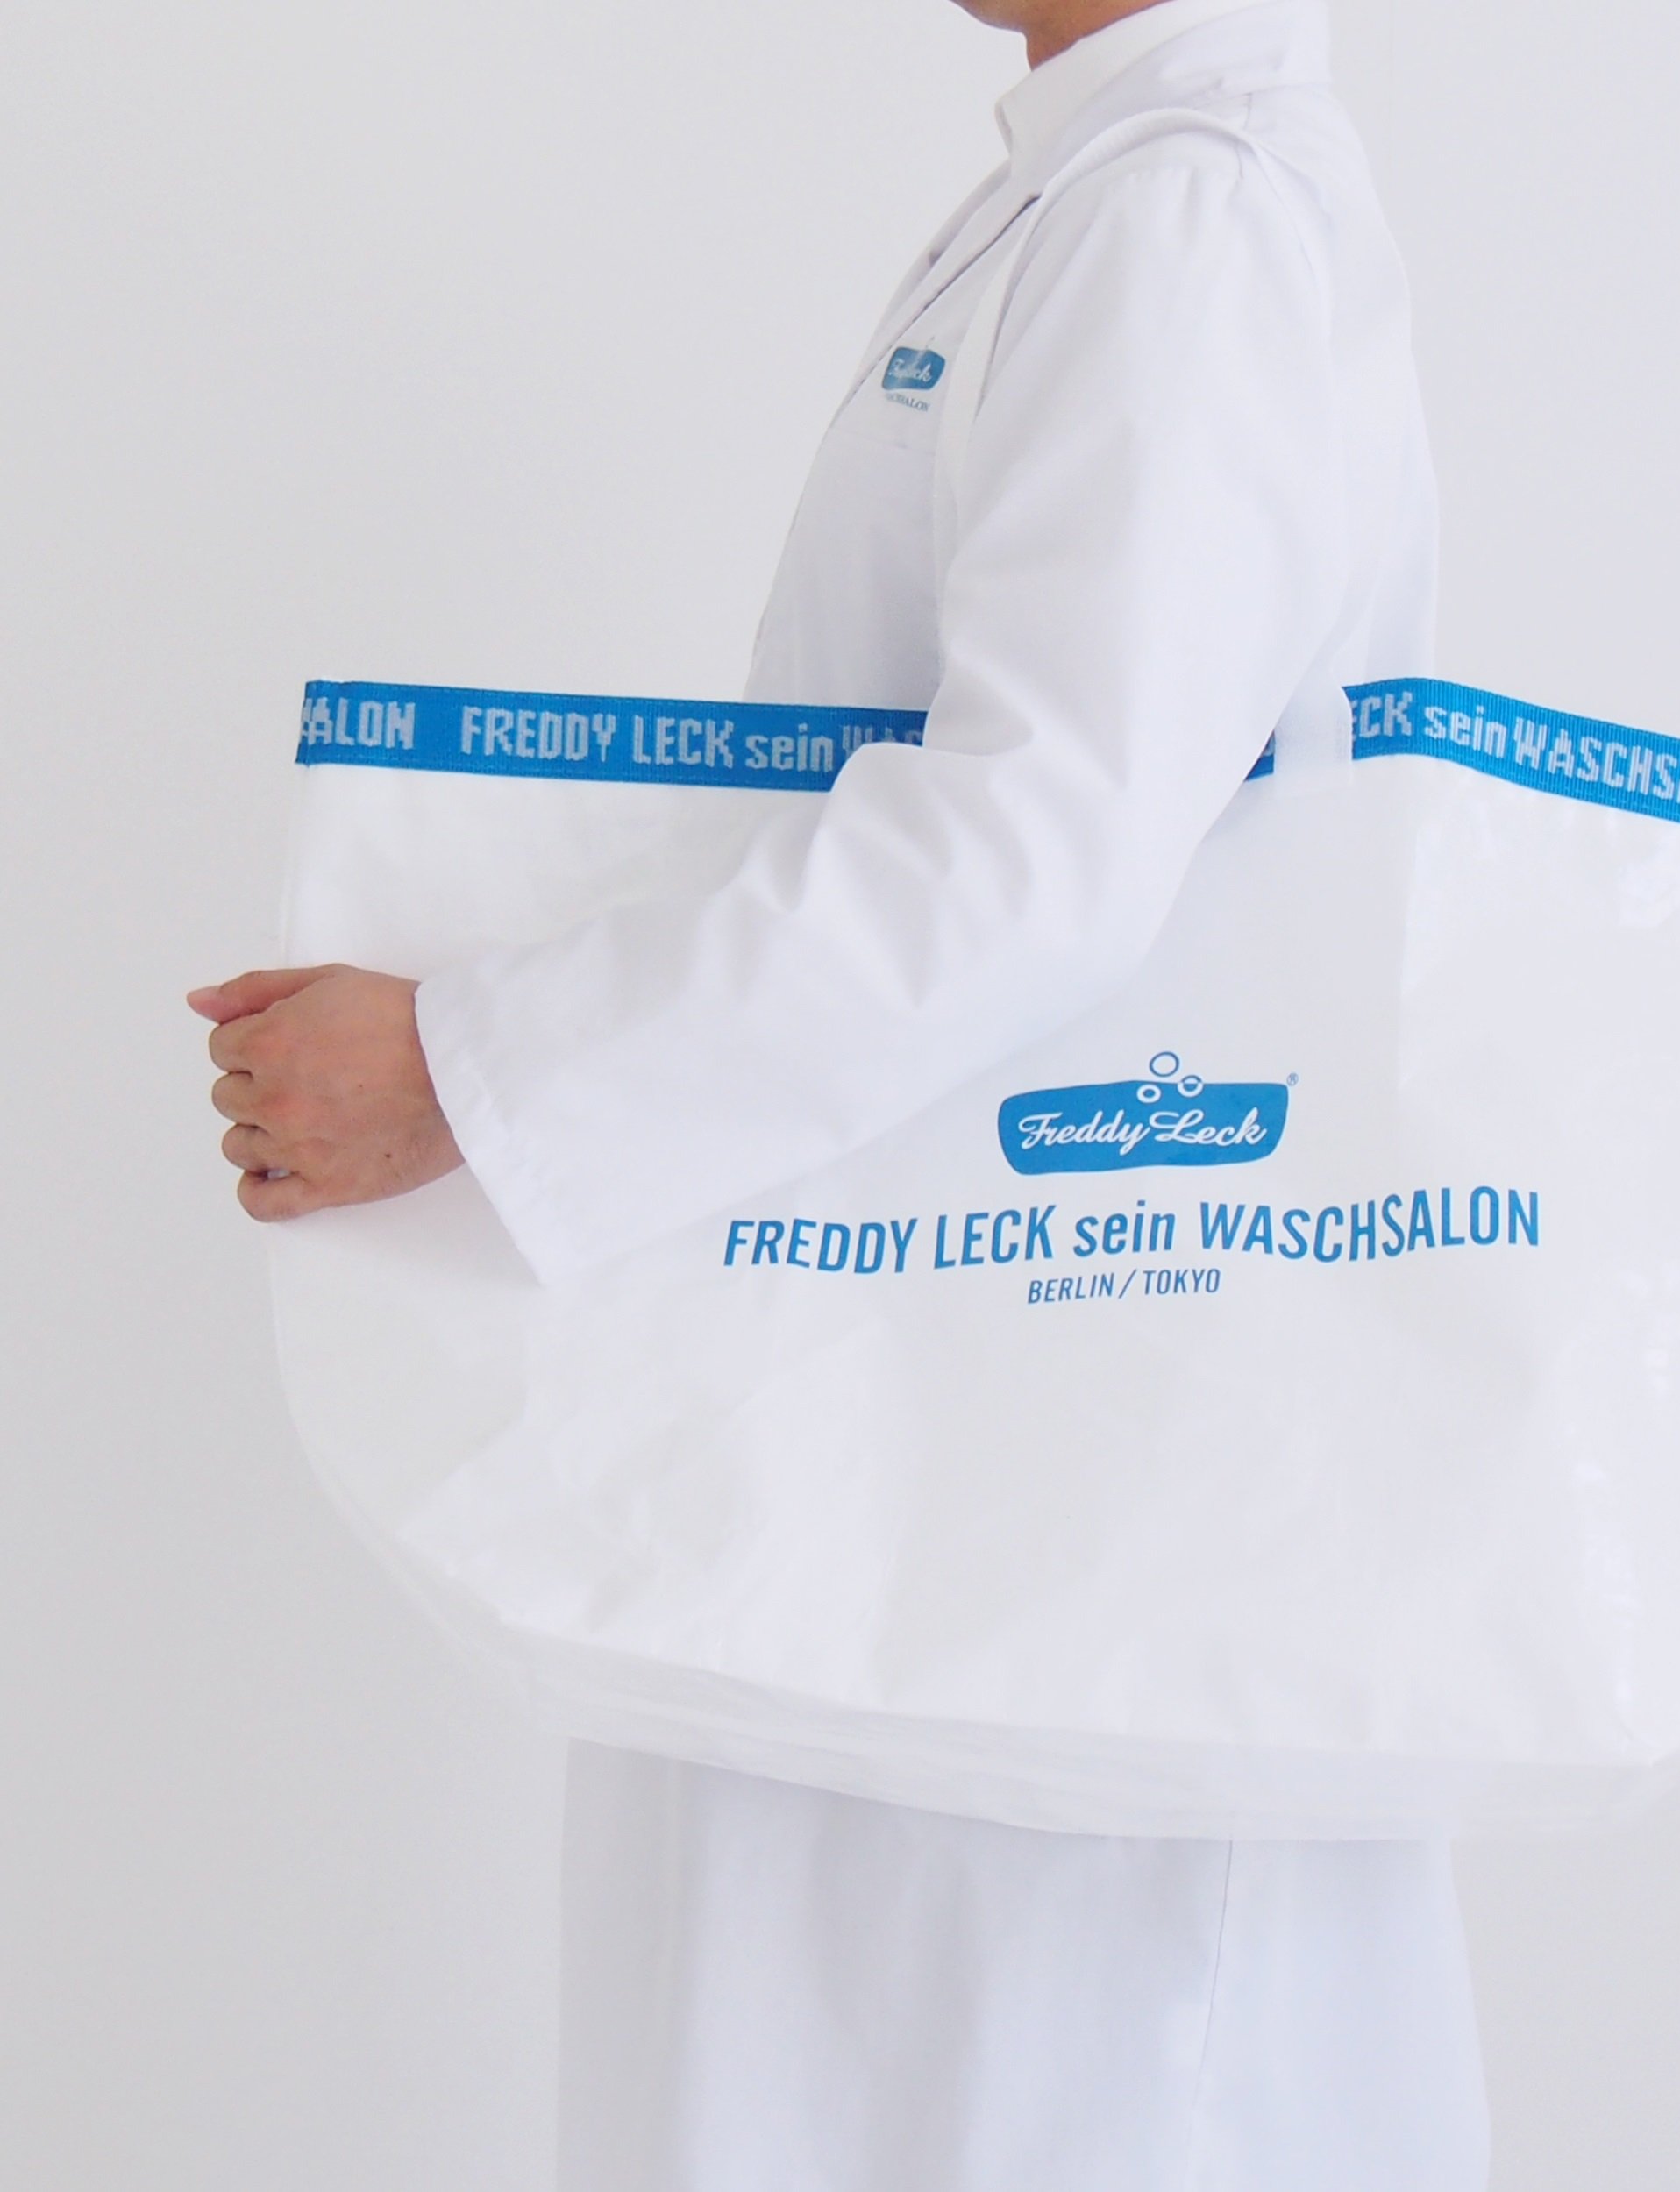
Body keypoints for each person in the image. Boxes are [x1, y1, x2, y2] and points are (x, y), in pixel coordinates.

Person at [191, 2, 1491, 2184]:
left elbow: (1035, 850)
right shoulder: (1092, 190)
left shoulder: (1180, 220)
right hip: (951, 1404)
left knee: (1039, 2082)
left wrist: (474, 1067)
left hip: (1052, 1464)